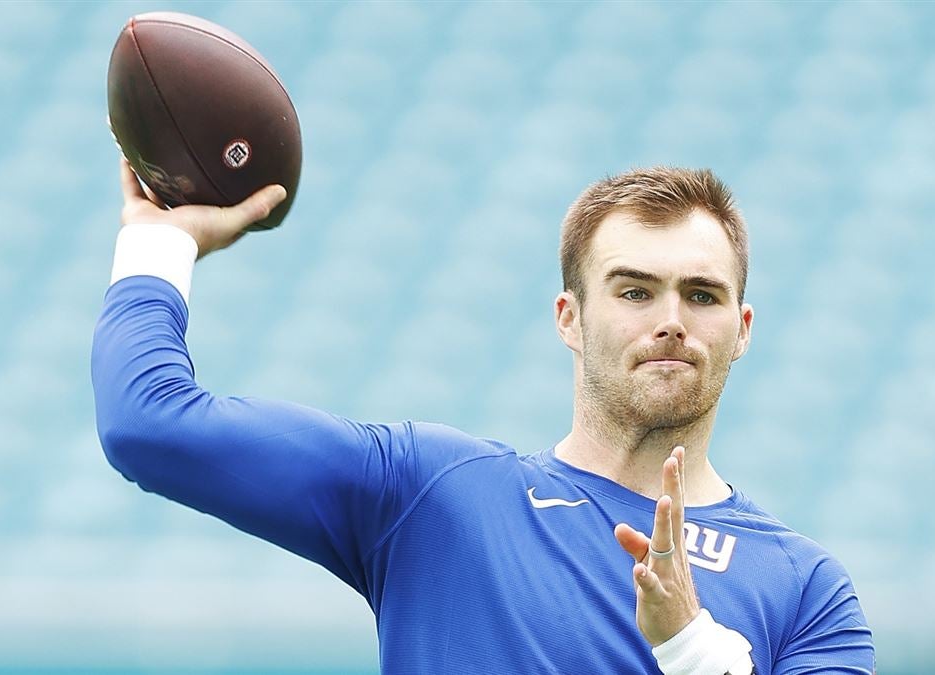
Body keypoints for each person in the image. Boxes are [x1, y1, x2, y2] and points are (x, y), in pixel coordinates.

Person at [93, 159, 874, 674]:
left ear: (741, 329)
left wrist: (690, 644)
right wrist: (159, 246)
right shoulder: (435, 495)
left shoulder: (806, 590)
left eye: (701, 294)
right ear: (569, 318)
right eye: (634, 290)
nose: (670, 318)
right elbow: (149, 426)